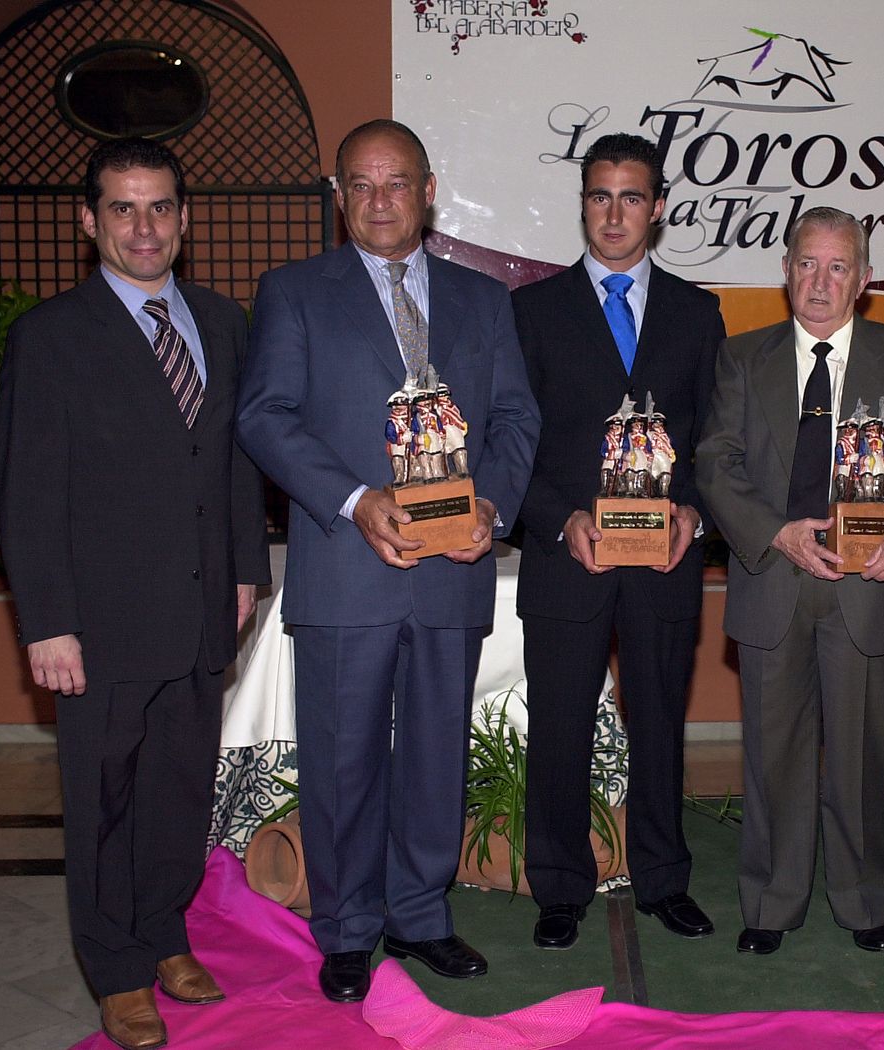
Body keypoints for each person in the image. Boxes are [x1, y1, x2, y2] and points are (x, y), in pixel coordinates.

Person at [236, 119, 539, 1001]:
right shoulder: (294, 292)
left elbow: (517, 420)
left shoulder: (483, 301)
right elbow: (265, 415)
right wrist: (355, 500)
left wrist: (493, 506)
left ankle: (420, 916)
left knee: (437, 756)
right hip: (345, 567)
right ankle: (346, 928)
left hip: (454, 566)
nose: (379, 200)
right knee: (344, 759)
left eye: (396, 182)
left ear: (429, 188)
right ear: (338, 197)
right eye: (361, 185)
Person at [0, 137, 270, 1049]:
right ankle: (113, 968)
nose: (143, 228)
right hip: (100, 626)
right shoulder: (52, 335)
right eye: (123, 208)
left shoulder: (224, 323)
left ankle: (163, 935)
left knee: (177, 796)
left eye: (159, 208)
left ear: (185, 220)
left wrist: (242, 574)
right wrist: (50, 625)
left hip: (199, 616)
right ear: (89, 221)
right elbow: (28, 496)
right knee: (105, 803)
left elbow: (228, 464)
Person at [696, 206, 884, 956]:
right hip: (773, 576)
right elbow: (716, 461)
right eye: (807, 263)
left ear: (865, 280)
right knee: (771, 756)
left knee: (861, 754)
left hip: (869, 585)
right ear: (785, 269)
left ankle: (863, 903)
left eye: (838, 267)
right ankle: (771, 905)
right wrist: (774, 532)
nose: (820, 280)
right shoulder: (744, 358)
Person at [511, 132, 724, 951]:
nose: (613, 213)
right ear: (583, 205)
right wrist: (558, 516)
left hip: (662, 563)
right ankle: (558, 888)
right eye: (599, 196)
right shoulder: (531, 310)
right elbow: (510, 442)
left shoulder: (696, 313)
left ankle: (665, 880)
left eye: (630, 197)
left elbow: (716, 442)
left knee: (662, 724)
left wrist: (692, 515)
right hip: (568, 558)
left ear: (658, 207)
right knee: (559, 726)